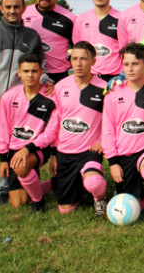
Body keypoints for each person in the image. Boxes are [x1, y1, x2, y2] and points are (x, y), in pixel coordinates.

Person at [0, 0, 50, 206]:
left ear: (24, 8)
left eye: (17, 6)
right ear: (1, 8)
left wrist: (47, 79)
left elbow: (41, 64)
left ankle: (4, 188)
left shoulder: (31, 36)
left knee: (13, 146)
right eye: (8, 7)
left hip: (16, 105)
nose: (13, 11)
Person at [30, 41, 107, 216]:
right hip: (65, 152)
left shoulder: (104, 89)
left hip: (89, 150)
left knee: (94, 183)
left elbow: (113, 121)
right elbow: (55, 124)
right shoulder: (61, 87)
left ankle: (99, 198)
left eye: (84, 59)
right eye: (75, 59)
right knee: (65, 210)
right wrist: (55, 154)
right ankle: (72, 186)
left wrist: (104, 141)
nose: (79, 64)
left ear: (93, 61)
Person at [102, 43, 144, 225]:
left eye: (136, 64)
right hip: (123, 155)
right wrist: (113, 162)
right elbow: (107, 131)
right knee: (134, 207)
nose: (130, 69)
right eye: (126, 64)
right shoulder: (113, 93)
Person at [0, 54, 55, 211]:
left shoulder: (50, 98)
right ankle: (54, 183)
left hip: (38, 148)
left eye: (34, 71)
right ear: (19, 73)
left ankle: (38, 201)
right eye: (26, 71)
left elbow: (50, 133)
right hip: (15, 150)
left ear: (41, 72)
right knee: (19, 202)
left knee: (21, 166)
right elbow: (2, 129)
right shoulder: (8, 97)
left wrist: (28, 149)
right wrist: (3, 158)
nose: (30, 75)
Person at [23, 0, 77, 83]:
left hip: (58, 77)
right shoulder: (23, 14)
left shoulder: (70, 19)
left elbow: (78, 50)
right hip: (30, 75)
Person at [72, 0, 122, 81]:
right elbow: (78, 49)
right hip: (89, 77)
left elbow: (125, 51)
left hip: (114, 77)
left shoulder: (121, 19)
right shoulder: (81, 19)